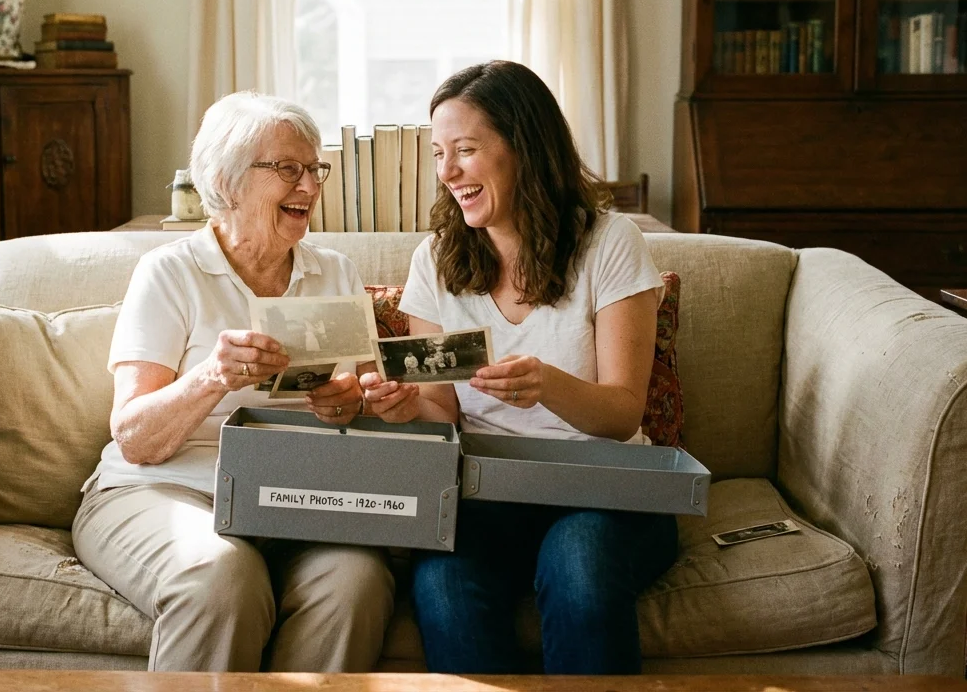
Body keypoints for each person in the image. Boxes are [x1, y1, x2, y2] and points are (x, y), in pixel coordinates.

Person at [359, 60, 678, 675]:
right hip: (488, 495)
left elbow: (621, 413)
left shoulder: (609, 243)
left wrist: (547, 386)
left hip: (606, 489)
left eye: (466, 150)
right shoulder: (438, 258)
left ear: (524, 148)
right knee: (443, 588)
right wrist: (406, 407)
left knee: (578, 565)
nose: (447, 172)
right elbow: (442, 413)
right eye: (438, 153)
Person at [73, 92, 393, 672]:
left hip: (295, 497)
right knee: (223, 576)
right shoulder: (171, 272)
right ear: (227, 180)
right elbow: (135, 438)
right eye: (287, 169)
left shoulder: (336, 272)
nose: (310, 186)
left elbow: (361, 409)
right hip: (161, 491)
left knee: (358, 581)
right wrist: (212, 377)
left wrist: (346, 404)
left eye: (314, 169)